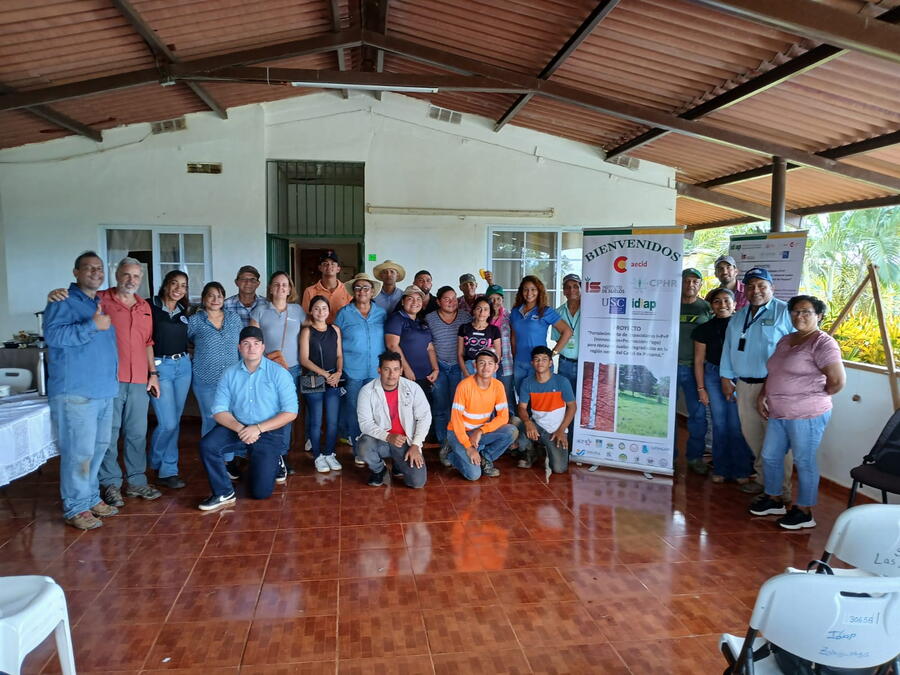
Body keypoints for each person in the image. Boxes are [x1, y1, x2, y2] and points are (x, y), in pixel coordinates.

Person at [46, 257, 163, 508]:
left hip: (137, 378)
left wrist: (153, 374)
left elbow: (147, 343)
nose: (131, 280)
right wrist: (55, 293)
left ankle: (136, 481)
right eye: (126, 275)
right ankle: (110, 483)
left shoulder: (144, 306)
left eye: (136, 276)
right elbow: (66, 315)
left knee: (135, 434)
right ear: (117, 275)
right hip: (107, 380)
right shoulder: (99, 300)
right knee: (106, 437)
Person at [749, 295, 845, 529]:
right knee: (771, 455)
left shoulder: (823, 343)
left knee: (804, 461)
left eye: (806, 312)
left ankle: (804, 511)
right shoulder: (787, 339)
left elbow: (837, 381)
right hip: (778, 412)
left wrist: (811, 397)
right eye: (794, 312)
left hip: (806, 415)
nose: (799, 316)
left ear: (819, 316)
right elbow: (775, 371)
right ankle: (774, 499)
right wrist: (764, 394)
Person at [44, 251, 120, 529]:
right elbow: (53, 336)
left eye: (99, 269)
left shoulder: (98, 301)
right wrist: (91, 325)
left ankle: (89, 497)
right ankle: (75, 506)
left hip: (103, 390)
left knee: (98, 447)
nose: (95, 272)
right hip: (76, 391)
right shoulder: (62, 301)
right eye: (88, 268)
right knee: (79, 451)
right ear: (76, 272)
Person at [197, 326, 299, 510]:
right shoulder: (229, 374)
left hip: (269, 430)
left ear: (262, 347)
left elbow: (291, 412)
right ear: (239, 348)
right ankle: (223, 492)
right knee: (208, 445)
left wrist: (258, 428)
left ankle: (275, 459)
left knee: (260, 493)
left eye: (256, 344)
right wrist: (241, 429)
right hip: (238, 426)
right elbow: (219, 410)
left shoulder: (279, 373)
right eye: (246, 344)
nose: (251, 348)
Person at [720, 267, 795, 497]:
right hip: (744, 385)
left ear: (772, 288)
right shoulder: (740, 315)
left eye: (762, 285)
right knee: (754, 437)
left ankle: (781, 491)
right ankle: (763, 479)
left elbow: (798, 351)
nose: (756, 290)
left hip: (774, 388)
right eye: (751, 286)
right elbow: (729, 347)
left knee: (777, 442)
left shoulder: (786, 312)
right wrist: (726, 376)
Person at [692, 288, 753, 484]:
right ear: (711, 306)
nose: (722, 305)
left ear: (735, 304)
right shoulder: (704, 329)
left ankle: (742, 470)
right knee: (719, 424)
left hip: (738, 376)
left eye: (727, 300)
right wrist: (701, 388)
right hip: (713, 375)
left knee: (736, 425)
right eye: (717, 301)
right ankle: (721, 467)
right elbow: (699, 360)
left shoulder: (745, 327)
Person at [250, 271, 305, 478]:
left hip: (292, 369)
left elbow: (310, 333)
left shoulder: (298, 310)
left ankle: (282, 455)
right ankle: (267, 453)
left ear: (290, 288)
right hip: (267, 369)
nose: (281, 288)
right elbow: (252, 339)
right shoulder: (260, 311)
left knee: (287, 413)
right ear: (270, 288)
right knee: (266, 411)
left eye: (285, 285)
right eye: (277, 284)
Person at [357, 351, 431, 488]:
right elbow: (365, 424)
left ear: (401, 370)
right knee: (363, 446)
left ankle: (399, 464)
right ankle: (379, 470)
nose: (392, 375)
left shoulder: (413, 388)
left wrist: (416, 444)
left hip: (404, 442)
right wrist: (388, 436)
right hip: (381, 440)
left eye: (396, 369)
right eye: (387, 369)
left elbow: (425, 418)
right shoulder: (367, 391)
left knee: (417, 483)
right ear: (379, 370)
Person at [334, 272, 387, 463]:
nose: (362, 291)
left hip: (375, 370)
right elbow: (335, 340)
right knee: (355, 408)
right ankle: (358, 448)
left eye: (366, 287)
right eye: (358, 287)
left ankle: (374, 446)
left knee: (375, 409)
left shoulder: (381, 313)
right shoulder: (344, 313)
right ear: (353, 292)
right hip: (352, 370)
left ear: (372, 292)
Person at [149, 270, 193, 489]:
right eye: (174, 283)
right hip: (160, 367)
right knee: (168, 423)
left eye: (183, 285)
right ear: (165, 285)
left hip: (183, 366)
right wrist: (151, 372)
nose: (178, 288)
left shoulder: (184, 310)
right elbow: (145, 340)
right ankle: (155, 459)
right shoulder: (150, 306)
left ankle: (169, 469)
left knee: (174, 420)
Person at [445, 348, 518, 480]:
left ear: (496, 367)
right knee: (474, 475)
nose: (486, 367)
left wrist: (480, 431)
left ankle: (485, 458)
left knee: (511, 431)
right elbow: (456, 420)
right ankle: (451, 454)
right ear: (475, 365)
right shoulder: (464, 386)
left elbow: (503, 417)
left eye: (490, 363)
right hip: (458, 432)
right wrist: (468, 447)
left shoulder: (498, 386)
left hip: (479, 433)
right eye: (482, 363)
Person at [188, 281, 242, 439]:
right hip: (205, 379)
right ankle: (212, 460)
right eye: (211, 295)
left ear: (224, 299)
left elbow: (240, 347)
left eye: (219, 296)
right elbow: (184, 342)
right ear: (204, 299)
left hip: (232, 380)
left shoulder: (234, 319)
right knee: (211, 419)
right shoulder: (195, 321)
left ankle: (229, 460)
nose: (215, 299)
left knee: (232, 419)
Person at [299, 295, 344, 473]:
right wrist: (325, 373)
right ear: (311, 311)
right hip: (313, 379)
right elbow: (304, 359)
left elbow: (339, 355)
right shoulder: (307, 331)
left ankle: (329, 453)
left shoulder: (335, 330)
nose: (320, 312)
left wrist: (338, 372)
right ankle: (318, 455)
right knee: (316, 421)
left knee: (333, 420)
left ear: (329, 311)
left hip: (334, 378)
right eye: (316, 308)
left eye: (324, 308)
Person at [514, 346, 576, 473]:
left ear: (550, 363)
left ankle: (544, 447)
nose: (540, 363)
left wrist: (561, 430)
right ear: (532, 363)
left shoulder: (562, 381)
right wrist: (528, 422)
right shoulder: (527, 383)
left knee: (559, 469)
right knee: (515, 422)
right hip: (537, 427)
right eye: (536, 359)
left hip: (556, 431)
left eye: (544, 359)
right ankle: (529, 451)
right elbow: (521, 408)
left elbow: (572, 407)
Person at [427, 286, 471, 455]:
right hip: (439, 368)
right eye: (446, 299)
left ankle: (456, 441)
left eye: (454, 298)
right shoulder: (430, 319)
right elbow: (428, 345)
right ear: (438, 301)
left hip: (459, 367)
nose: (451, 302)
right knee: (440, 406)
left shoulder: (465, 317)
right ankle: (443, 443)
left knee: (457, 407)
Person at [677, 268, 713, 475]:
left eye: (694, 282)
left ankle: (694, 458)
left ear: (700, 285)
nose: (690, 285)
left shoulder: (707, 308)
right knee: (666, 416)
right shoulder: (670, 306)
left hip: (695, 370)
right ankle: (668, 457)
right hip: (669, 368)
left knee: (698, 416)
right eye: (686, 281)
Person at [509, 275, 573, 389]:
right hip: (519, 364)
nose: (529, 293)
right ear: (521, 292)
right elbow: (513, 337)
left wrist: (552, 354)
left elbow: (567, 331)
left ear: (539, 291)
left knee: (539, 402)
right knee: (523, 400)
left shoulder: (545, 311)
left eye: (533, 289)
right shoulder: (515, 312)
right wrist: (515, 357)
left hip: (539, 364)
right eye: (526, 289)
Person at [384, 285, 439, 399]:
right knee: (406, 412)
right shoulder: (396, 319)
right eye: (410, 298)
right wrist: (407, 369)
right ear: (403, 301)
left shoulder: (421, 321)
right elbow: (392, 345)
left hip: (426, 376)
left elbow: (430, 347)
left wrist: (435, 369)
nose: (415, 302)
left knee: (423, 411)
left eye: (418, 299)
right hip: (407, 375)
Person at [300, 250, 352, 323]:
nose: (329, 266)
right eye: (325, 264)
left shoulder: (347, 290)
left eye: (333, 264)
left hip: (341, 332)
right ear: (320, 268)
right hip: (318, 332)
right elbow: (307, 318)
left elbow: (352, 316)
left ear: (338, 269)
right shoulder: (309, 291)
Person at [486, 284, 516, 407]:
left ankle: (508, 421)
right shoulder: (484, 316)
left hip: (506, 362)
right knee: (489, 394)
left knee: (506, 393)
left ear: (502, 300)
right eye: (492, 298)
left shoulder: (509, 316)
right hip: (488, 362)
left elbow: (514, 337)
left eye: (498, 298)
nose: (495, 302)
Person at [458, 295, 501, 375]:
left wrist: (490, 371)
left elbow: (497, 355)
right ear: (474, 310)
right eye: (479, 308)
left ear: (489, 313)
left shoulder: (494, 330)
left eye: (485, 309)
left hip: (487, 367)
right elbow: (460, 354)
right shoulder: (464, 328)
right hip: (468, 366)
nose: (482, 312)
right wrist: (465, 372)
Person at [552, 273, 581, 395]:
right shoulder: (557, 313)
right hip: (565, 363)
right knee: (565, 398)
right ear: (564, 291)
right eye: (568, 287)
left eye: (575, 286)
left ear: (581, 288)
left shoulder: (591, 311)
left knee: (582, 399)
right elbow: (556, 339)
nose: (571, 290)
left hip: (584, 363)